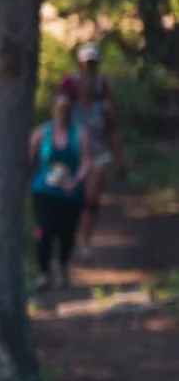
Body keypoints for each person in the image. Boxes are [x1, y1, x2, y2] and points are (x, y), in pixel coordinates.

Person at [60, 43, 123, 254]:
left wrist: (118, 158)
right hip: (74, 153)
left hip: (97, 153)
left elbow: (111, 129)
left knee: (92, 199)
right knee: (71, 197)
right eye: (85, 63)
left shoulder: (102, 95)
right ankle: (69, 236)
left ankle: (85, 240)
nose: (88, 68)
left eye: (92, 63)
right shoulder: (69, 89)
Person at [30, 87, 87, 293]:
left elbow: (85, 163)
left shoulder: (79, 135)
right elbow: (29, 159)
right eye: (59, 107)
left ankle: (63, 266)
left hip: (70, 193)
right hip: (44, 190)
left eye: (65, 108)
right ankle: (43, 272)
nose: (62, 112)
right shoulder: (40, 133)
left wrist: (76, 180)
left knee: (66, 233)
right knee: (44, 230)